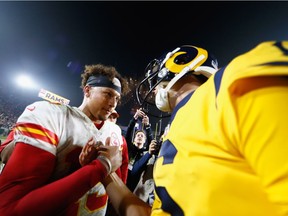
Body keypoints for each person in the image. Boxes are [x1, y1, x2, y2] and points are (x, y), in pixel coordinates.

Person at [96, 41, 288, 216]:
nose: (153, 88)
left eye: (156, 76)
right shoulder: (174, 130)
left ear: (179, 62)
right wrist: (106, 171)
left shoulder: (233, 81)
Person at [0, 63, 130, 216]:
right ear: (87, 90)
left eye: (117, 98)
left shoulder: (116, 135)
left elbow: (119, 195)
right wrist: (101, 167)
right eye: (108, 94)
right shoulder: (52, 115)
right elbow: (10, 209)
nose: (113, 104)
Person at [125, 108, 153, 192]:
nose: (140, 137)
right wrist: (135, 118)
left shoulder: (144, 153)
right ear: (134, 139)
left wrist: (147, 125)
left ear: (145, 141)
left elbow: (152, 143)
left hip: (134, 187)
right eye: (138, 135)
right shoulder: (129, 147)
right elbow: (129, 131)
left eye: (142, 136)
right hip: (122, 181)